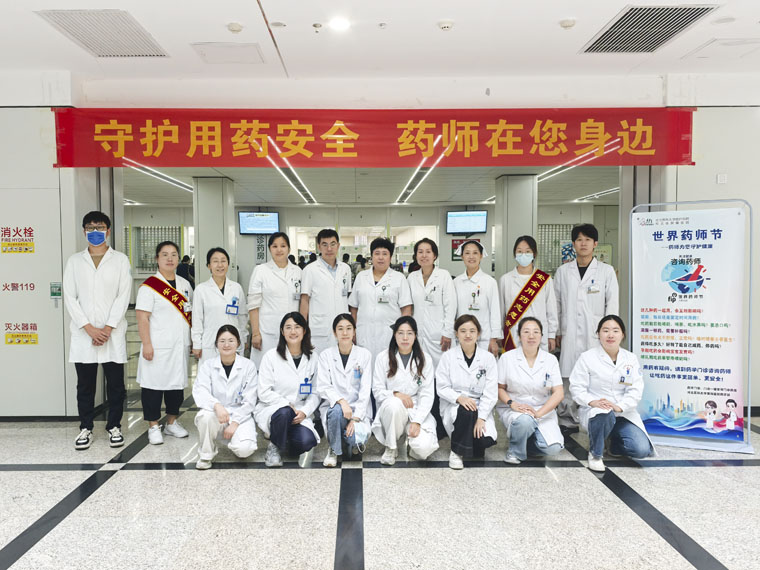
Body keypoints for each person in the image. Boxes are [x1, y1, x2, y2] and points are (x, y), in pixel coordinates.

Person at [63, 211, 132, 450]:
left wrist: (108, 328)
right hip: (84, 334)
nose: (95, 231)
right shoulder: (74, 261)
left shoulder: (120, 260)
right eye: (90, 227)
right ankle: (85, 427)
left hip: (112, 333)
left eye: (100, 227)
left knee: (115, 385)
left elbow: (123, 296)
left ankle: (114, 426)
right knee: (85, 385)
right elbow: (70, 297)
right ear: (84, 231)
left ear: (108, 231)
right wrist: (89, 328)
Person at [569, 315, 653, 472]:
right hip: (596, 410)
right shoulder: (587, 358)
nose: (610, 335)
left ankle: (612, 443)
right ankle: (595, 454)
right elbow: (576, 387)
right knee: (603, 413)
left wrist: (619, 406)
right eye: (605, 330)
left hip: (623, 412)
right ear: (598, 334)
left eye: (615, 330)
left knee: (640, 450)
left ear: (623, 334)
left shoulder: (630, 358)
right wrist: (592, 402)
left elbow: (635, 390)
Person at [555, 224, 619, 428]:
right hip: (569, 332)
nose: (583, 244)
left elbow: (612, 305)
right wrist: (557, 331)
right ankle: (566, 419)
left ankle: (596, 416)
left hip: (596, 335)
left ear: (595, 244)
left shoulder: (606, 271)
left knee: (595, 377)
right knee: (568, 376)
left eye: (588, 240)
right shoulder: (563, 272)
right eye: (579, 240)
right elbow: (557, 304)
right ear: (573, 244)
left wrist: (610, 333)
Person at [135, 241, 193, 445]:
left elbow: (189, 314)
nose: (170, 258)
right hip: (157, 346)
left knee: (176, 386)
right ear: (157, 259)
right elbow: (142, 318)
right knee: (153, 386)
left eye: (174, 254)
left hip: (179, 345)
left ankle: (171, 423)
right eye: (165, 254)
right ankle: (153, 426)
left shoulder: (185, 285)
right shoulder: (149, 286)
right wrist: (147, 344)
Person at [254, 312, 320, 468]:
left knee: (307, 442)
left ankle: (282, 436)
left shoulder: (313, 357)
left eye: (297, 327)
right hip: (275, 410)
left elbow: (316, 392)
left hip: (299, 413)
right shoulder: (271, 357)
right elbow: (263, 391)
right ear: (282, 332)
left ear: (304, 331)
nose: (293, 331)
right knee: (285, 412)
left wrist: (304, 412)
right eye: (288, 327)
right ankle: (274, 447)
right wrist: (287, 404)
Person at [372, 316, 439, 465]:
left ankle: (410, 443)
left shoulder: (425, 359)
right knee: (394, 404)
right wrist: (396, 395)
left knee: (424, 449)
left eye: (409, 333)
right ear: (394, 334)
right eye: (400, 333)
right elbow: (377, 390)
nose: (405, 338)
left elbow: (427, 394)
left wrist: (417, 421)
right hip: (392, 407)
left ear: (415, 336)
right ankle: (391, 447)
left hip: (415, 407)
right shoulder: (382, 358)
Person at [497, 317, 564, 464]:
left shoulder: (550, 360)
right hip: (516, 408)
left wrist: (539, 413)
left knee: (553, 448)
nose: (531, 336)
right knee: (524, 421)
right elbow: (499, 388)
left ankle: (524, 439)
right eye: (526, 332)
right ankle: (514, 452)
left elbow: (559, 392)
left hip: (542, 409)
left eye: (536, 332)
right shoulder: (507, 358)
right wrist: (512, 403)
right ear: (519, 336)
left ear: (541, 336)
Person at [436, 314, 498, 469]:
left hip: (480, 405)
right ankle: (456, 452)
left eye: (472, 331)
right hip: (454, 404)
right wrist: (459, 398)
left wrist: (482, 418)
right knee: (466, 411)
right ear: (456, 334)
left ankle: (471, 444)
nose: (468, 335)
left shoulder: (488, 358)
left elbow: (491, 393)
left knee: (484, 441)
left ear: (479, 333)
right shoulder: (448, 357)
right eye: (463, 331)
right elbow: (441, 387)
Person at [192, 325, 258, 469]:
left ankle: (235, 440)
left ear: (238, 343)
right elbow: (200, 391)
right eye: (222, 341)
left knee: (244, 450)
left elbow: (250, 401)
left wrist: (235, 423)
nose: (226, 345)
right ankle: (206, 454)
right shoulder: (208, 366)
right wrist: (216, 405)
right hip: (216, 416)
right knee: (205, 417)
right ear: (216, 344)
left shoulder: (248, 366)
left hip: (240, 416)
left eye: (231, 340)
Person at [317, 314, 373, 467]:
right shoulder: (326, 356)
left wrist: (355, 418)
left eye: (349, 328)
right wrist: (341, 402)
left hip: (357, 409)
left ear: (354, 331)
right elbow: (323, 386)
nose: (345, 333)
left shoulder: (364, 355)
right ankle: (333, 450)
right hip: (335, 408)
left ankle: (346, 442)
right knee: (336, 412)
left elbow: (365, 390)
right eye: (340, 329)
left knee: (354, 439)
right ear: (334, 332)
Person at [349, 237, 413, 363]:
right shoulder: (361, 277)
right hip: (364, 332)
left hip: (389, 334)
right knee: (364, 366)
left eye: (385, 254)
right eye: (377, 253)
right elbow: (354, 307)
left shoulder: (399, 278)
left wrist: (403, 333)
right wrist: (353, 331)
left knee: (388, 367)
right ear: (371, 256)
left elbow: (406, 309)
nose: (381, 257)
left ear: (390, 257)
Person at [247, 232, 302, 367]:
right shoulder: (260, 270)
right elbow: (253, 305)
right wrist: (255, 333)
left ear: (289, 249)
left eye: (283, 246)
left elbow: (302, 302)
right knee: (266, 369)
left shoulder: (298, 271)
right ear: (269, 249)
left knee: (290, 370)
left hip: (292, 332)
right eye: (274, 246)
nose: (279, 250)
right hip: (267, 332)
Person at [498, 235, 558, 353]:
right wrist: (499, 334)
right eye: (519, 251)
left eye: (528, 251)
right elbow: (500, 310)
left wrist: (551, 334)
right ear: (514, 254)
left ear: (534, 254)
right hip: (513, 335)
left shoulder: (544, 279)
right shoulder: (505, 279)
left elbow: (551, 310)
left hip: (538, 333)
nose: (523, 255)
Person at [191, 247, 248, 364]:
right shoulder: (201, 290)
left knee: (234, 372)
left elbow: (242, 316)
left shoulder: (236, 288)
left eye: (223, 261)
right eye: (215, 261)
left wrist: (244, 337)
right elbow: (197, 319)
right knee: (210, 373)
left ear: (228, 264)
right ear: (209, 266)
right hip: (210, 342)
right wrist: (196, 343)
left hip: (233, 341)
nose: (220, 265)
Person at [300, 229, 353, 353]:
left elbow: (347, 297)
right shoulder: (310, 270)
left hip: (342, 327)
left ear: (338, 246)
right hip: (319, 329)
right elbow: (304, 300)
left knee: (341, 360)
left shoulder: (346, 269)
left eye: (333, 244)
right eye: (325, 244)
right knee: (319, 361)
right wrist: (302, 329)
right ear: (319, 247)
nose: (329, 248)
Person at [407, 238, 456, 368]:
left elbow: (450, 306)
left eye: (428, 252)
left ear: (434, 255)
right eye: (420, 252)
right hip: (418, 332)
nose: (424, 255)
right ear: (416, 255)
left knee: (441, 370)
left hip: (439, 333)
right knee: (419, 369)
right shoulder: (412, 277)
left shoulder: (444, 275)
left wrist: (447, 332)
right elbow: (409, 306)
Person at [453, 240, 502, 356]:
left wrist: (494, 339)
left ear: (481, 256)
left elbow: (495, 311)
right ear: (462, 256)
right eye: (467, 253)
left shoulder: (490, 282)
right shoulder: (456, 282)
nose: (471, 256)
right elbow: (453, 312)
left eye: (475, 253)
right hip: (462, 339)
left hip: (484, 340)